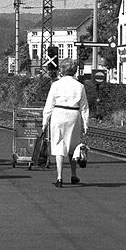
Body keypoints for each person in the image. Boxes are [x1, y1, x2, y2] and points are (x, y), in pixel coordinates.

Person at [41, 59, 90, 187]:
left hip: (58, 114)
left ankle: (59, 177)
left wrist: (44, 122)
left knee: (59, 145)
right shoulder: (79, 86)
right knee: (73, 146)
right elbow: (84, 107)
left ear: (61, 70)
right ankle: (73, 175)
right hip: (73, 115)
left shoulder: (55, 85)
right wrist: (86, 124)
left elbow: (49, 105)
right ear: (74, 70)